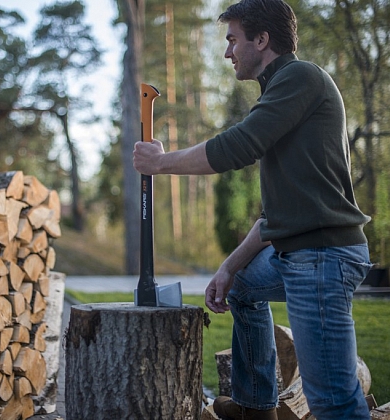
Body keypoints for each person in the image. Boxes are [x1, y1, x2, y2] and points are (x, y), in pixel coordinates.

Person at [132, 0, 373, 419]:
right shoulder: (282, 92)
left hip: (320, 257)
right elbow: (273, 217)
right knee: (242, 289)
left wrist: (161, 163)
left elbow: (237, 147)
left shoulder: (301, 77)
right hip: (296, 252)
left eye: (232, 40)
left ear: (262, 40)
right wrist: (228, 268)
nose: (228, 52)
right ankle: (256, 407)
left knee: (333, 401)